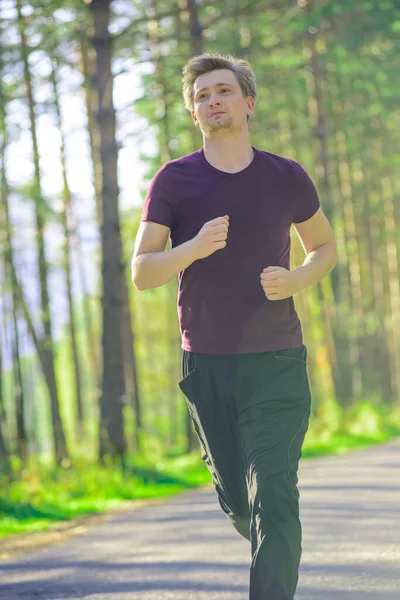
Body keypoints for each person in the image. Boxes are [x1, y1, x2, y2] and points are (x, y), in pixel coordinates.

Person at [132, 52, 337, 600]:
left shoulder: (285, 175)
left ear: (248, 102)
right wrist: (193, 248)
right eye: (202, 96)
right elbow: (142, 272)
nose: (214, 100)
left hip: (277, 360)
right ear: (194, 113)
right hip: (208, 364)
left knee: (275, 492)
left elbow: (324, 246)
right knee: (243, 503)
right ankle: (246, 515)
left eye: (223, 90)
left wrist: (297, 279)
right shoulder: (175, 180)